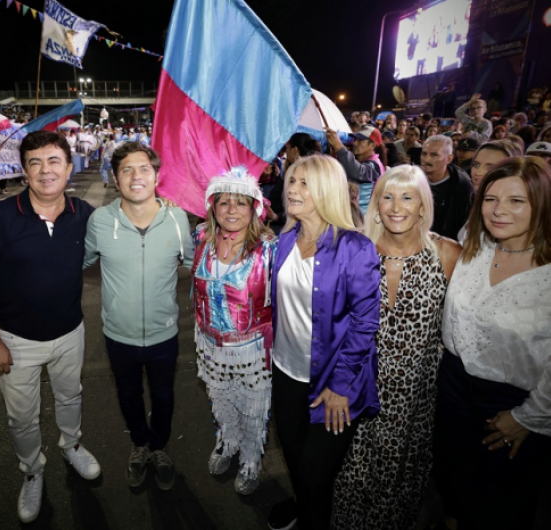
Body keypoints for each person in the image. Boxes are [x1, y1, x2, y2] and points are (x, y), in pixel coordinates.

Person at [0, 131, 101, 524]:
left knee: (70, 396)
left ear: (68, 166)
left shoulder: (85, 214)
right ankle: (32, 471)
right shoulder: (1, 218)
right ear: (24, 171)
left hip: (70, 333)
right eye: (35, 163)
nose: (45, 171)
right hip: (15, 341)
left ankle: (71, 445)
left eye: (54, 160)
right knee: (21, 418)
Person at [332, 165, 461, 530]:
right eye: (387, 196)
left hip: (416, 397)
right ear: (375, 204)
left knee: (401, 474)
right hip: (359, 388)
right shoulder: (356, 251)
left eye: (407, 196)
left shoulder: (447, 254)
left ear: (423, 206)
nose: (395, 206)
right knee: (353, 471)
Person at [434, 156, 551, 530]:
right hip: (452, 385)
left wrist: (529, 417)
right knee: (451, 479)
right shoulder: (473, 246)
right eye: (490, 199)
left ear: (541, 204)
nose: (499, 211)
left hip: (513, 401)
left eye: (516, 201)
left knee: (500, 499)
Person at [267, 155, 381, 530]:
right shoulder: (283, 241)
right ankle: (304, 511)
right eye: (292, 181)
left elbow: (365, 324)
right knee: (299, 465)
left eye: (304, 183)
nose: (293, 189)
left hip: (334, 383)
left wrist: (341, 385)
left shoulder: (355, 248)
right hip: (286, 374)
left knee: (316, 474)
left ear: (328, 190)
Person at [83, 142, 193, 491]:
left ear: (157, 176)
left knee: (163, 395)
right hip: (119, 335)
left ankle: (159, 447)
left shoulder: (176, 219)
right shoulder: (100, 220)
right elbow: (79, 261)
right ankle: (140, 445)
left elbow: (195, 264)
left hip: (164, 334)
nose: (136, 176)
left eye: (144, 168)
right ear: (115, 178)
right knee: (128, 395)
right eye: (126, 170)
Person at [192, 167, 276, 495]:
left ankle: (251, 459)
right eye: (224, 202)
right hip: (209, 343)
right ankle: (228, 444)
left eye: (240, 203)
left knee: (253, 409)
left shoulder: (269, 249)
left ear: (254, 208)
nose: (231, 211)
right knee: (222, 401)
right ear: (213, 206)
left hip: (253, 347)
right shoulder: (201, 238)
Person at [420, 135, 474, 240]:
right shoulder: (414, 180)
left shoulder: (462, 186)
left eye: (434, 155)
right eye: (424, 154)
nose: (426, 159)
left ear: (449, 159)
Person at [326, 125, 384, 214]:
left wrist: (339, 146)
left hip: (365, 221)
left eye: (360, 141)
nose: (355, 143)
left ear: (372, 145)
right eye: (355, 140)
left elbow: (357, 172)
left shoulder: (375, 165)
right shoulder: (362, 162)